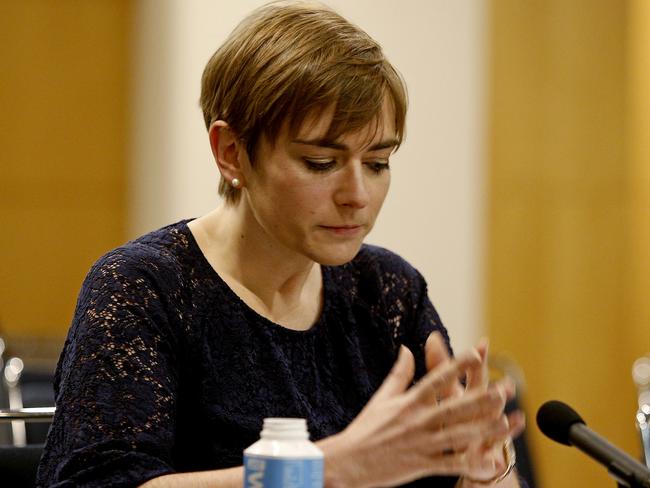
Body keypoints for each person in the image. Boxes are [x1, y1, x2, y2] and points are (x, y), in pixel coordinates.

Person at [37, 1, 526, 487]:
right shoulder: (144, 288)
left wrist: (484, 473)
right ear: (232, 153)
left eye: (378, 163)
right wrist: (327, 471)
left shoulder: (388, 291)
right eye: (320, 162)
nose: (357, 196)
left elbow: (475, 470)